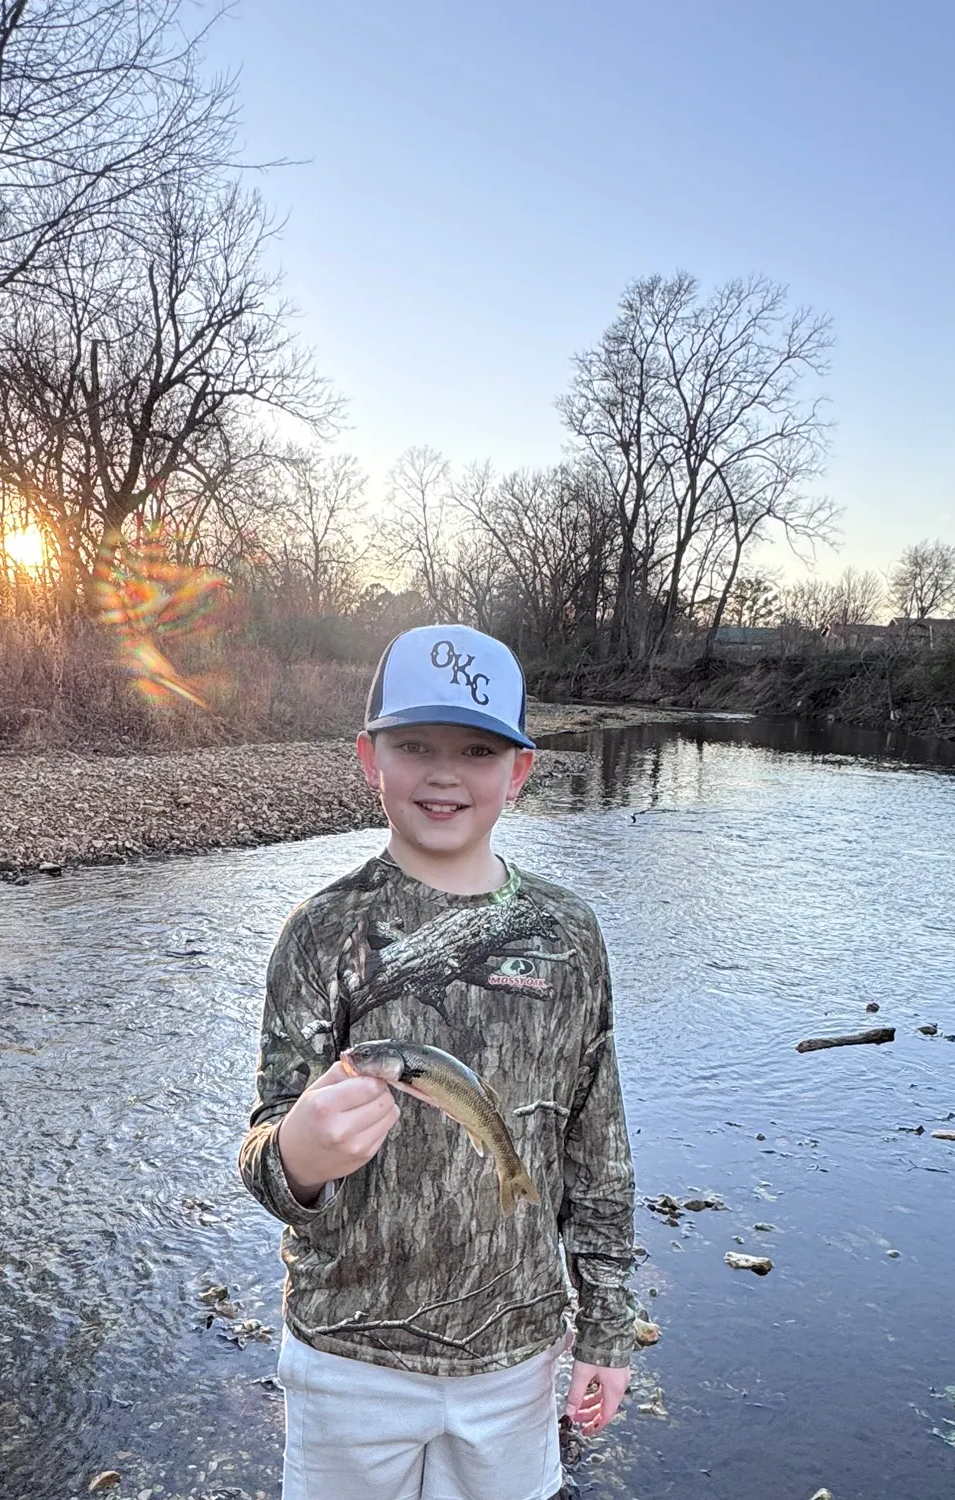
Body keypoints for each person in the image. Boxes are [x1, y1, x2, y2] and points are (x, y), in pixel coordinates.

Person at [238, 623, 637, 1500]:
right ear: (370, 758)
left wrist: (607, 1326)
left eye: (477, 750)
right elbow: (263, 1151)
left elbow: (597, 1145)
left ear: (520, 770)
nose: (445, 773)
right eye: (415, 745)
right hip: (348, 1354)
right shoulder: (322, 931)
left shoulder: (569, 934)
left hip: (516, 1355)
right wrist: (299, 1156)